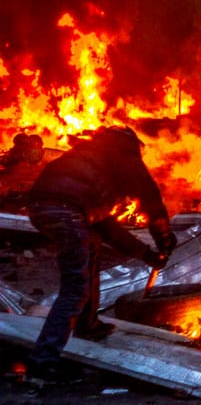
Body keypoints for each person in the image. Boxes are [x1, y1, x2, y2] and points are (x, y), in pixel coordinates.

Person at [24, 126, 176, 386]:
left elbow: (107, 228)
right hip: (66, 212)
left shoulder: (89, 156)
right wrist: (164, 241)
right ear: (131, 146)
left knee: (90, 248)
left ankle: (89, 325)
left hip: (43, 209)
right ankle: (42, 364)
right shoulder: (124, 158)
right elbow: (152, 201)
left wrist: (149, 255)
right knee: (75, 289)